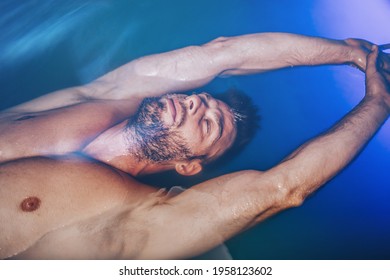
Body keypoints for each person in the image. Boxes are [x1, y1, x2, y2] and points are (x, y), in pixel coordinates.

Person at [0, 33, 389, 259]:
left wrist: (379, 102)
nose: (193, 104)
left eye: (206, 123)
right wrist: (354, 54)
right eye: (196, 100)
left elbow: (282, 188)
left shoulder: (137, 215)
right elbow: (219, 56)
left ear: (189, 166)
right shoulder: (98, 99)